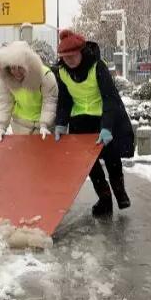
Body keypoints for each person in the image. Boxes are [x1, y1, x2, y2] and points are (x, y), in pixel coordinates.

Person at [54, 29, 134, 215]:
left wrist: (106, 127)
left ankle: (120, 192)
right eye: (65, 58)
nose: (70, 61)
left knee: (111, 156)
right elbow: (65, 100)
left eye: (73, 56)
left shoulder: (98, 67)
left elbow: (109, 97)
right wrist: (60, 123)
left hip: (103, 116)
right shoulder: (62, 72)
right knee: (89, 163)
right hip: (79, 120)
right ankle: (104, 198)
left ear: (81, 52)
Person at [0, 40, 57, 138]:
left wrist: (45, 124)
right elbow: (4, 102)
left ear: (29, 65)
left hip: (43, 128)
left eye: (20, 68)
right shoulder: (6, 79)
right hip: (20, 125)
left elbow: (50, 101)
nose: (16, 72)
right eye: (12, 68)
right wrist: (1, 126)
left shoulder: (45, 76)